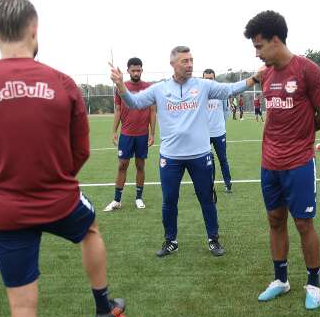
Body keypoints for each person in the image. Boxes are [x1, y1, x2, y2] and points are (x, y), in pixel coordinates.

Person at [0, 0, 125, 317]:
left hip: (6, 208)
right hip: (59, 198)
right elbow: (81, 150)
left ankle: (104, 308)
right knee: (89, 228)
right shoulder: (61, 82)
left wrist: (5, 176)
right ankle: (103, 306)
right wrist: (52, 176)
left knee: (21, 308)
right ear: (34, 29)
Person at [110, 46, 264, 258]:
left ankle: (213, 239)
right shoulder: (159, 89)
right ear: (173, 64)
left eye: (191, 60)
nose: (190, 64)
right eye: (185, 61)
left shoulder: (203, 86)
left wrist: (254, 79)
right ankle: (170, 240)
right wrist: (120, 85)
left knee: (206, 199)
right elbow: (134, 103)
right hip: (170, 158)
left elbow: (229, 90)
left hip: (200, 156)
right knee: (169, 201)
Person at [244, 10, 320, 310]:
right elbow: (257, 76)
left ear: (275, 40)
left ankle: (313, 283)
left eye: (259, 46)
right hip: (269, 163)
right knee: (275, 220)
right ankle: (281, 280)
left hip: (298, 162)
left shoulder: (308, 71)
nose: (256, 53)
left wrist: (301, 135)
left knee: (304, 223)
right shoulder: (266, 73)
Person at [105, 57, 156, 211]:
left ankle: (139, 198)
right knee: (122, 165)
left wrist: (152, 133)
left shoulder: (148, 87)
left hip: (142, 134)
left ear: (142, 70)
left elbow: (153, 111)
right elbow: (118, 110)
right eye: (133, 70)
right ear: (128, 71)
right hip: (126, 134)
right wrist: (114, 130)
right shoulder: (121, 87)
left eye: (138, 70)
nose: (136, 72)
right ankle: (117, 200)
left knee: (140, 165)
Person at [203, 69, 232, 194]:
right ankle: (209, 185)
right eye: (206, 78)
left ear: (214, 79)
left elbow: (226, 111)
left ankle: (228, 183)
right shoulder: (199, 93)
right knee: (206, 161)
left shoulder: (221, 93)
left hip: (219, 133)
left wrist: (220, 125)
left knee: (222, 159)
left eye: (211, 78)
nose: (209, 81)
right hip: (203, 134)